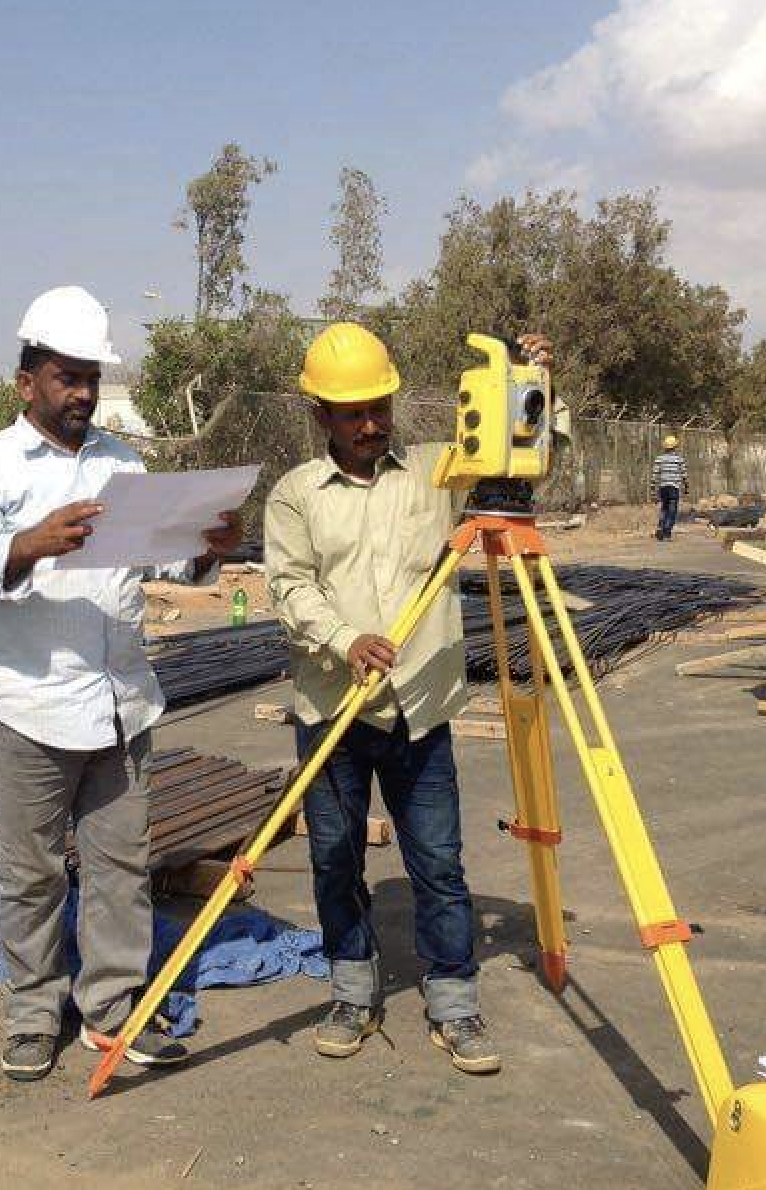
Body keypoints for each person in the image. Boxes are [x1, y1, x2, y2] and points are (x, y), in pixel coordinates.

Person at [0, 285, 243, 1082]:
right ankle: (35, 1013)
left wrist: (206, 548)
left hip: (120, 700)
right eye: (67, 377)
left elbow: (165, 559)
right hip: (27, 705)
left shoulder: (121, 463)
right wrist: (27, 544)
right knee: (31, 874)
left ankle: (114, 1009)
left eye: (90, 379)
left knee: (118, 872)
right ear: (26, 380)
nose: (82, 394)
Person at [263, 322, 551, 1077]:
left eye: (379, 407)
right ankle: (353, 991)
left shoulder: (435, 471)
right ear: (320, 415)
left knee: (439, 862)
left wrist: (532, 390)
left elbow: (516, 461)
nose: (370, 424)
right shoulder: (294, 496)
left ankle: (454, 1001)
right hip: (333, 707)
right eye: (352, 412)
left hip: (419, 708)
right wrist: (345, 638)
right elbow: (289, 587)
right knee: (333, 857)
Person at [651, 435, 687, 540]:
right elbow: (684, 474)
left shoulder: (659, 459)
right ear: (675, 447)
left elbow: (655, 475)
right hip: (674, 487)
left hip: (663, 488)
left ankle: (660, 527)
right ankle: (667, 532)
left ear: (665, 447)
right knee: (672, 511)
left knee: (664, 508)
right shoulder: (679, 459)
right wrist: (686, 487)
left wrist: (653, 490)